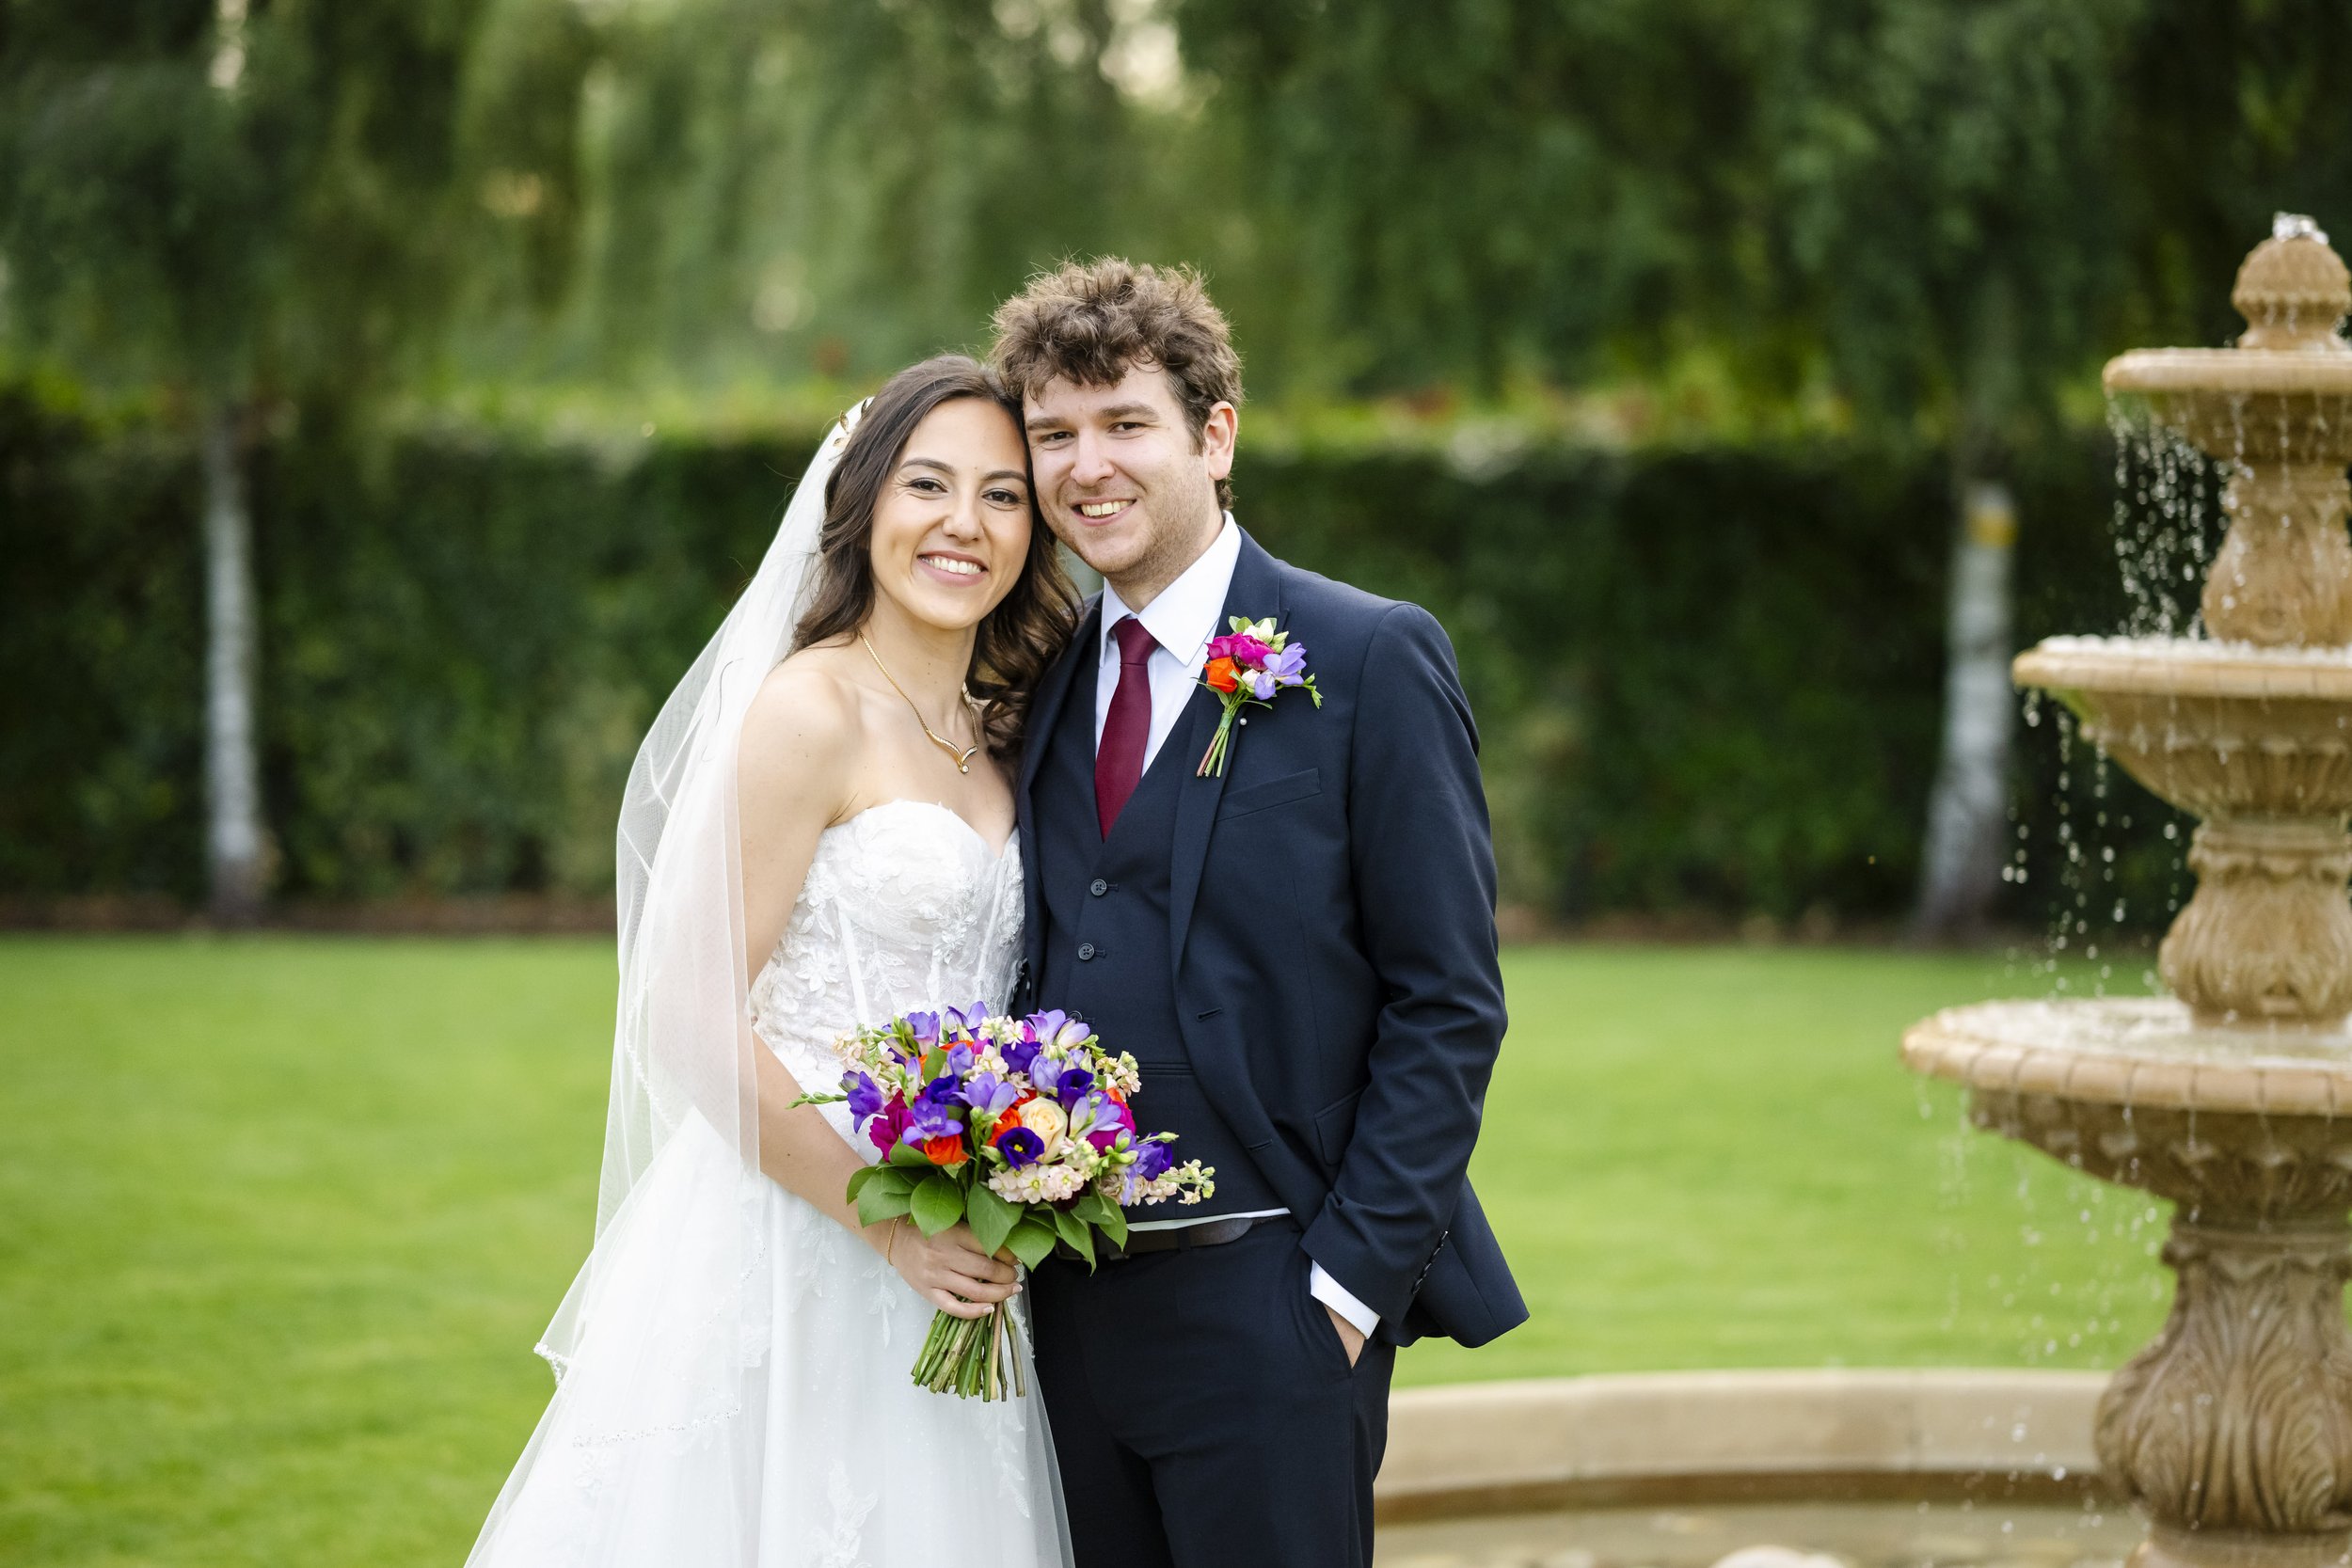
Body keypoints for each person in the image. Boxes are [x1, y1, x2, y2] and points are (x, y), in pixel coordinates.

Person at [466, 356, 1081, 1568]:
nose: (966, 523)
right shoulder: (811, 712)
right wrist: (889, 1229)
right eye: (929, 484)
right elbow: (688, 1014)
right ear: (862, 507)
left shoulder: (1001, 730)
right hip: (799, 1235)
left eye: (1005, 495)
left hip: (961, 1236)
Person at [992, 259, 1526, 1568]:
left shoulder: (1366, 655)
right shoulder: (1041, 677)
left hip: (1273, 1297)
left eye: (1124, 424)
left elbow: (1448, 1000)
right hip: (1061, 1308)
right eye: (1052, 435)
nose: (1085, 467)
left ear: (1215, 435)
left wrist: (1343, 1296)